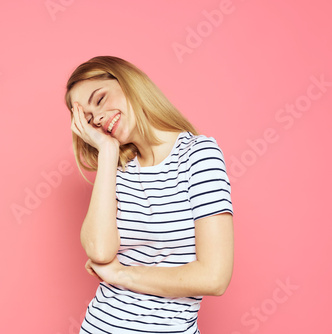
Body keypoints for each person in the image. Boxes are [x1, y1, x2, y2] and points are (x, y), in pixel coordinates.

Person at [65, 56, 234, 333]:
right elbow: (98, 250)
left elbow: (214, 277)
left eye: (100, 99)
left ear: (128, 81)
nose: (99, 119)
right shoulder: (118, 170)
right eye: (90, 120)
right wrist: (107, 152)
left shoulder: (199, 155)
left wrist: (121, 274)